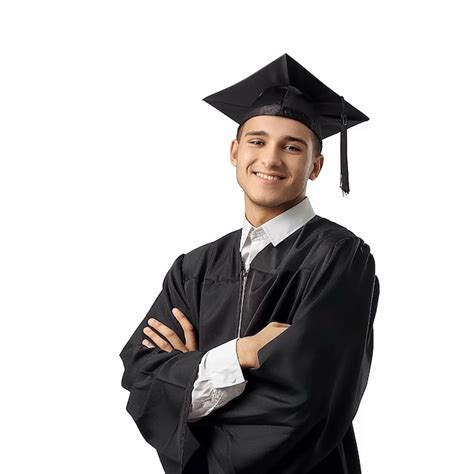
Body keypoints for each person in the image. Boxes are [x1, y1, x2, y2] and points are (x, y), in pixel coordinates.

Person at [119, 53, 380, 474]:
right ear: (235, 151)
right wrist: (242, 353)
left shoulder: (338, 256)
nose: (271, 159)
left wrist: (194, 378)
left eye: (292, 147)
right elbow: (145, 381)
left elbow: (308, 402)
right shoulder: (195, 267)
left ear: (315, 166)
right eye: (257, 141)